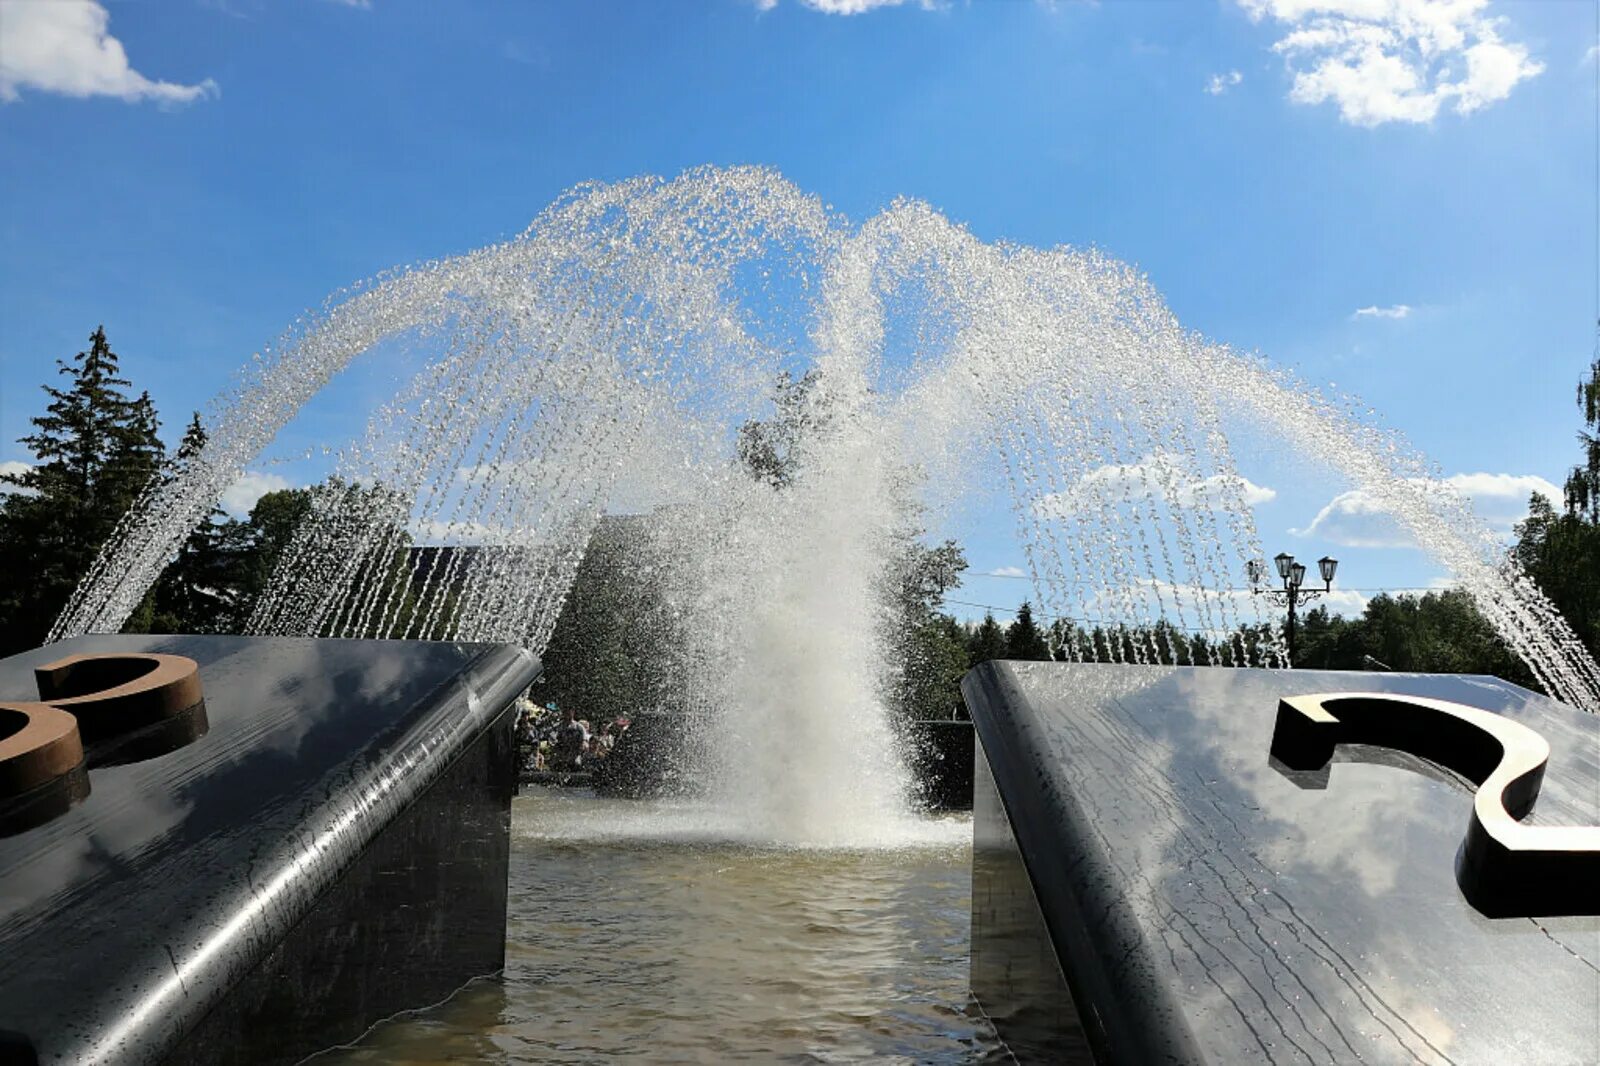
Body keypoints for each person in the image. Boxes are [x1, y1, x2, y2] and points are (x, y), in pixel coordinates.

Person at [552, 707, 588, 771]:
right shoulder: (558, 726)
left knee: (577, 765)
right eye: (565, 712)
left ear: (573, 713)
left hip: (574, 755)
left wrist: (579, 747)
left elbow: (583, 741)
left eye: (569, 712)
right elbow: (553, 739)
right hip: (561, 755)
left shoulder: (579, 727)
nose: (567, 714)